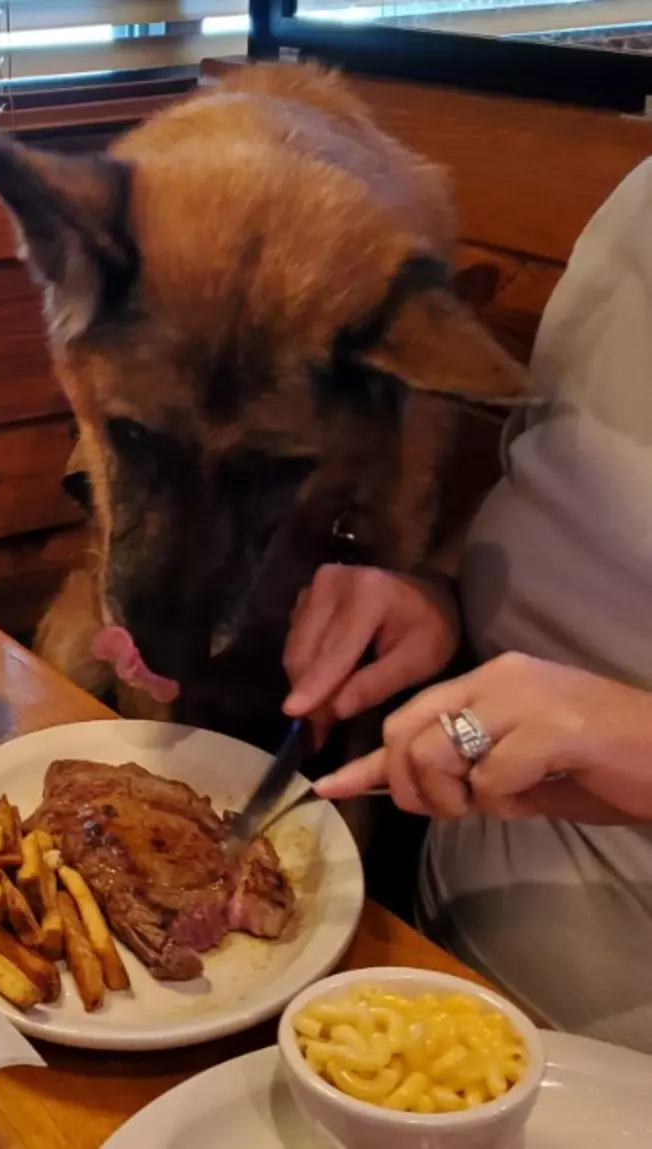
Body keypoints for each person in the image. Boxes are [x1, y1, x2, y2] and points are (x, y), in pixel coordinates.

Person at [283, 159, 652, 1053]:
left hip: (602, 1051)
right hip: (420, 956)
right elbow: (546, 486)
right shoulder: (639, 202)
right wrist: (437, 592)